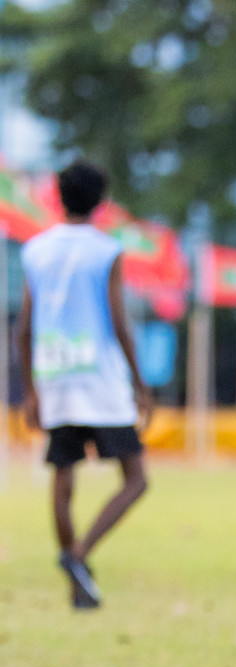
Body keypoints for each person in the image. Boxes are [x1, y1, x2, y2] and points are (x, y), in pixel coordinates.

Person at [14, 161, 152, 609]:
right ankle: (79, 555)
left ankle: (77, 586)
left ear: (58, 195)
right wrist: (139, 382)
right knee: (135, 479)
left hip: (54, 371)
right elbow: (120, 324)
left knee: (63, 474)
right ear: (101, 200)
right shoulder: (106, 251)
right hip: (99, 376)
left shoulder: (35, 250)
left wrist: (31, 389)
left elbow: (23, 328)